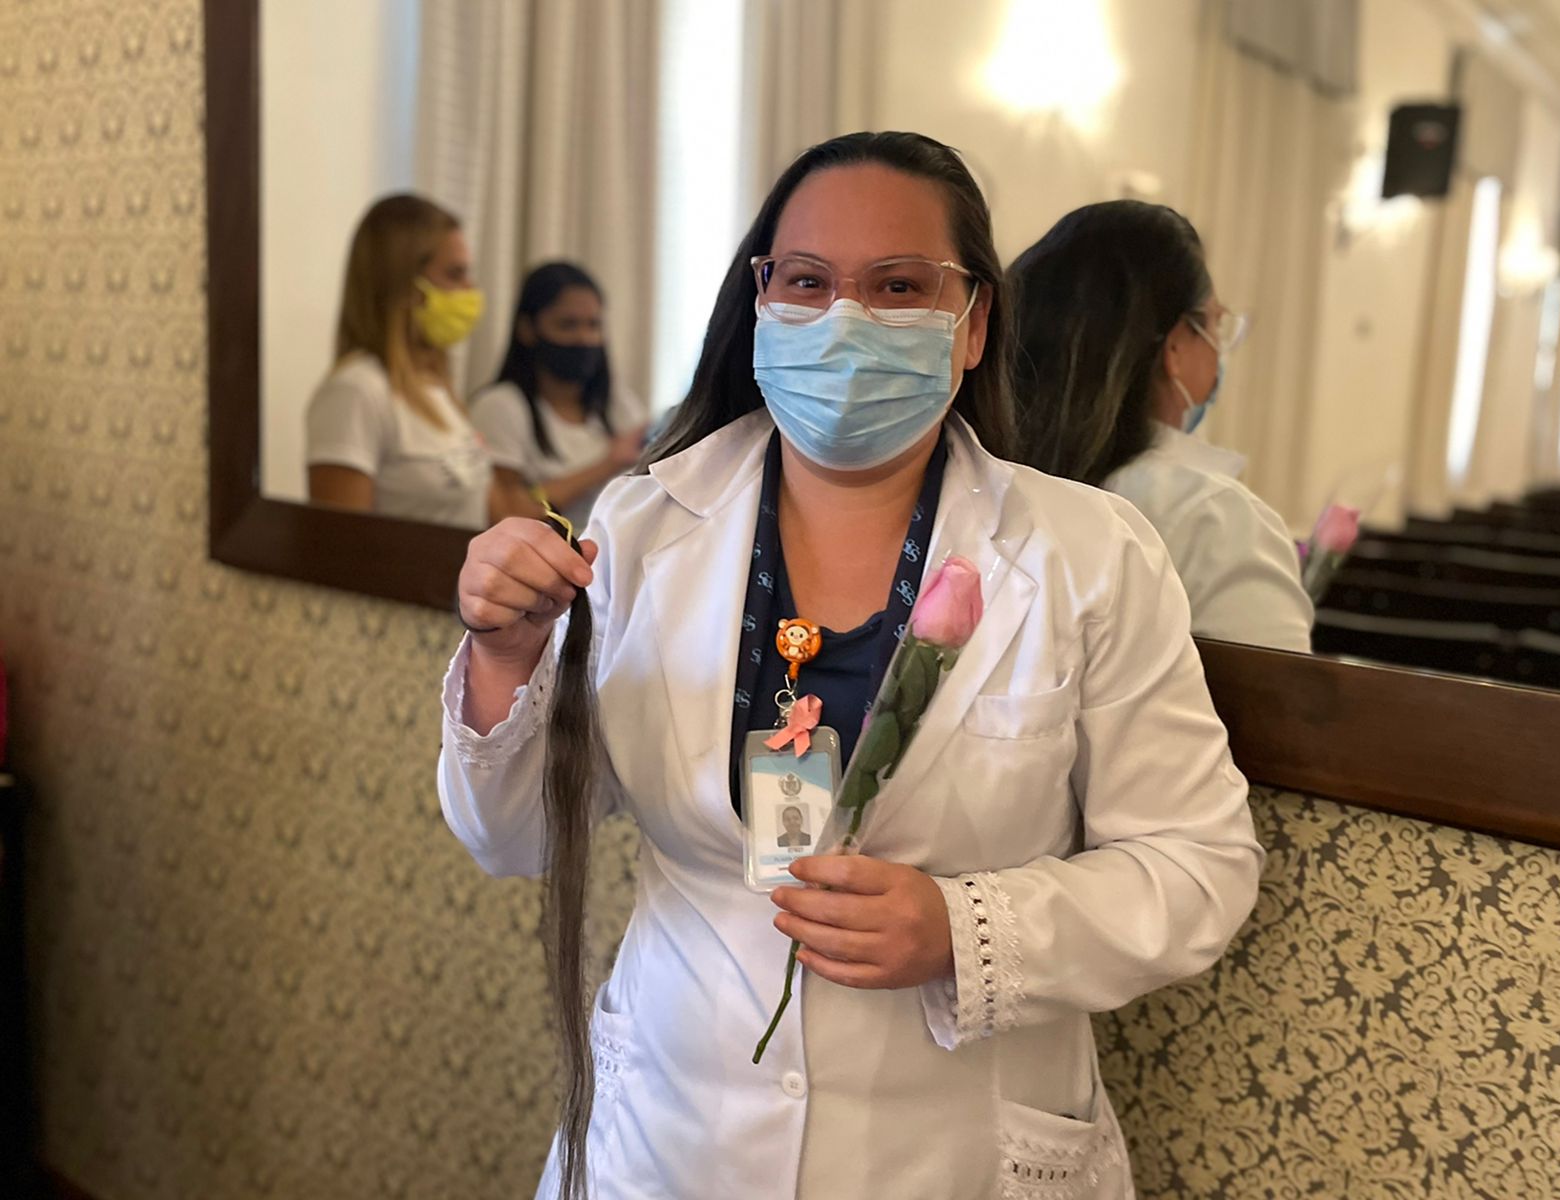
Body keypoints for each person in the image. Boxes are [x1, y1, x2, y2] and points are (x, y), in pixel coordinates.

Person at [440, 132, 1262, 1199]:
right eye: (807, 281)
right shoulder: (643, 527)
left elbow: (1197, 868)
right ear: (760, 300)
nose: (844, 320)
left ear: (973, 324)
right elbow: (513, 837)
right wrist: (505, 655)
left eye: (898, 287)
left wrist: (965, 932)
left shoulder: (1089, 554)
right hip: (673, 1142)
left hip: (951, 1157)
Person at [1008, 200, 1315, 652]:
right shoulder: (1214, 519)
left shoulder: (987, 480)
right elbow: (1275, 693)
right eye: (1216, 324)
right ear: (1174, 347)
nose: (1220, 350)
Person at [304, 194, 540, 528]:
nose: (470, 289)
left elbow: (491, 513)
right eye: (455, 274)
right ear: (403, 283)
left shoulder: (437, 389)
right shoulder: (356, 391)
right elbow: (339, 540)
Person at [471, 262, 650, 531]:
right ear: (527, 329)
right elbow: (509, 513)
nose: (584, 338)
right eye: (568, 325)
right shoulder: (500, 406)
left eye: (593, 325)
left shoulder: (617, 402)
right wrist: (608, 464)